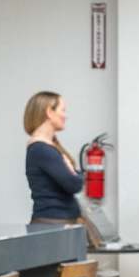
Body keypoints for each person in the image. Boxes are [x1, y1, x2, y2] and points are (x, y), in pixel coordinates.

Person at [23, 89, 86, 225]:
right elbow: (74, 184)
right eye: (62, 110)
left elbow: (73, 179)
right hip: (52, 225)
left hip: (57, 223)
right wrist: (77, 174)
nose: (65, 116)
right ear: (49, 112)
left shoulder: (46, 147)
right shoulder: (41, 149)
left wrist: (75, 174)